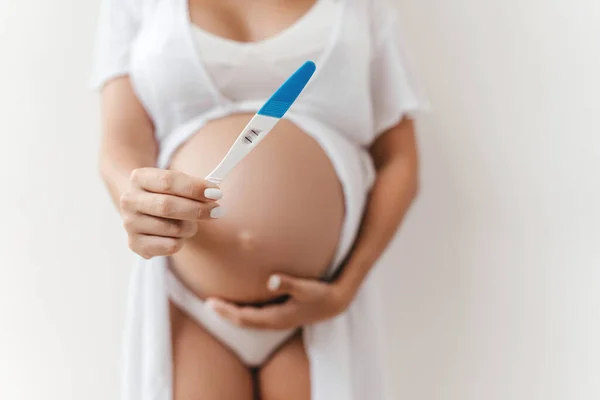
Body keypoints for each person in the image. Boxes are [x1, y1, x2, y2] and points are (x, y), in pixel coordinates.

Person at [91, 0, 428, 398]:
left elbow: (399, 159)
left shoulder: (363, 7)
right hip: (188, 303)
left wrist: (344, 289)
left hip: (315, 308)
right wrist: (136, 201)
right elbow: (120, 144)